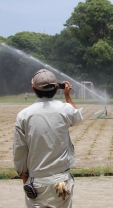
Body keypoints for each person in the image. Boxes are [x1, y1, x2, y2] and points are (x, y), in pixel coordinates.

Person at [13, 69, 83, 208]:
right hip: (61, 181)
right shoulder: (65, 109)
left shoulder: (24, 115)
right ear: (57, 87)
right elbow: (77, 117)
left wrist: (25, 179)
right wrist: (67, 96)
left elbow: (19, 150)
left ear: (33, 89)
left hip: (36, 181)